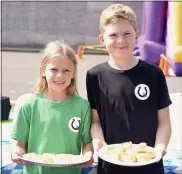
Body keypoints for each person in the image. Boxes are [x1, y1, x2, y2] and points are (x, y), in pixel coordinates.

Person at [86, 4, 172, 174]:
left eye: (127, 34)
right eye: (113, 35)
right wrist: (98, 140)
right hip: (110, 165)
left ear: (137, 35)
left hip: (149, 165)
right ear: (102, 39)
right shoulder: (95, 75)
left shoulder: (153, 74)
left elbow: (164, 122)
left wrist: (159, 147)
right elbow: (95, 121)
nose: (121, 41)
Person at [11, 41, 93, 174]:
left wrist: (88, 155)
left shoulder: (83, 106)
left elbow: (87, 144)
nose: (60, 76)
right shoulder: (29, 105)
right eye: (54, 70)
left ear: (73, 73)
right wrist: (18, 153)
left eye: (66, 71)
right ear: (43, 70)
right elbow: (20, 145)